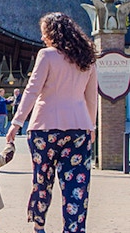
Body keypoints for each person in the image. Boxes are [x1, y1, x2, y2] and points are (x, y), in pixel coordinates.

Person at [6, 12, 97, 233]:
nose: (42, 36)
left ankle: (39, 224)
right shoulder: (87, 58)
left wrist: (16, 123)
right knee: (77, 185)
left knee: (42, 179)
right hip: (79, 129)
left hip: (44, 128)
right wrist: (91, 126)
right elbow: (91, 96)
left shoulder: (46, 55)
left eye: (44, 32)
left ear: (52, 33)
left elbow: (32, 90)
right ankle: (73, 228)